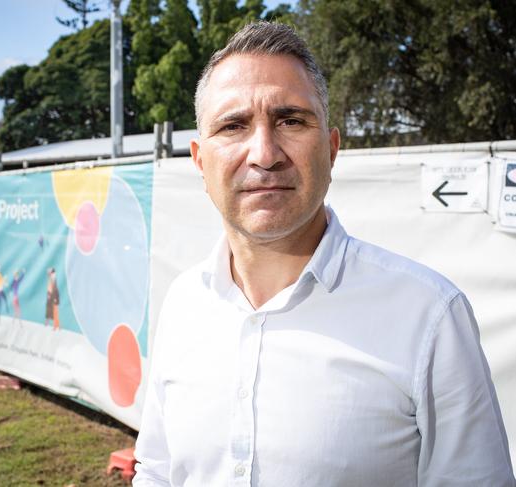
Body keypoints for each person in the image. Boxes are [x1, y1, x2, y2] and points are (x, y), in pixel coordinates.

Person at [133, 21, 515, 487]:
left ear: (332, 149)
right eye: (233, 125)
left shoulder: (430, 315)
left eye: (291, 120)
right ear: (199, 160)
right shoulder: (182, 303)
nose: (264, 154)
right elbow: (156, 470)